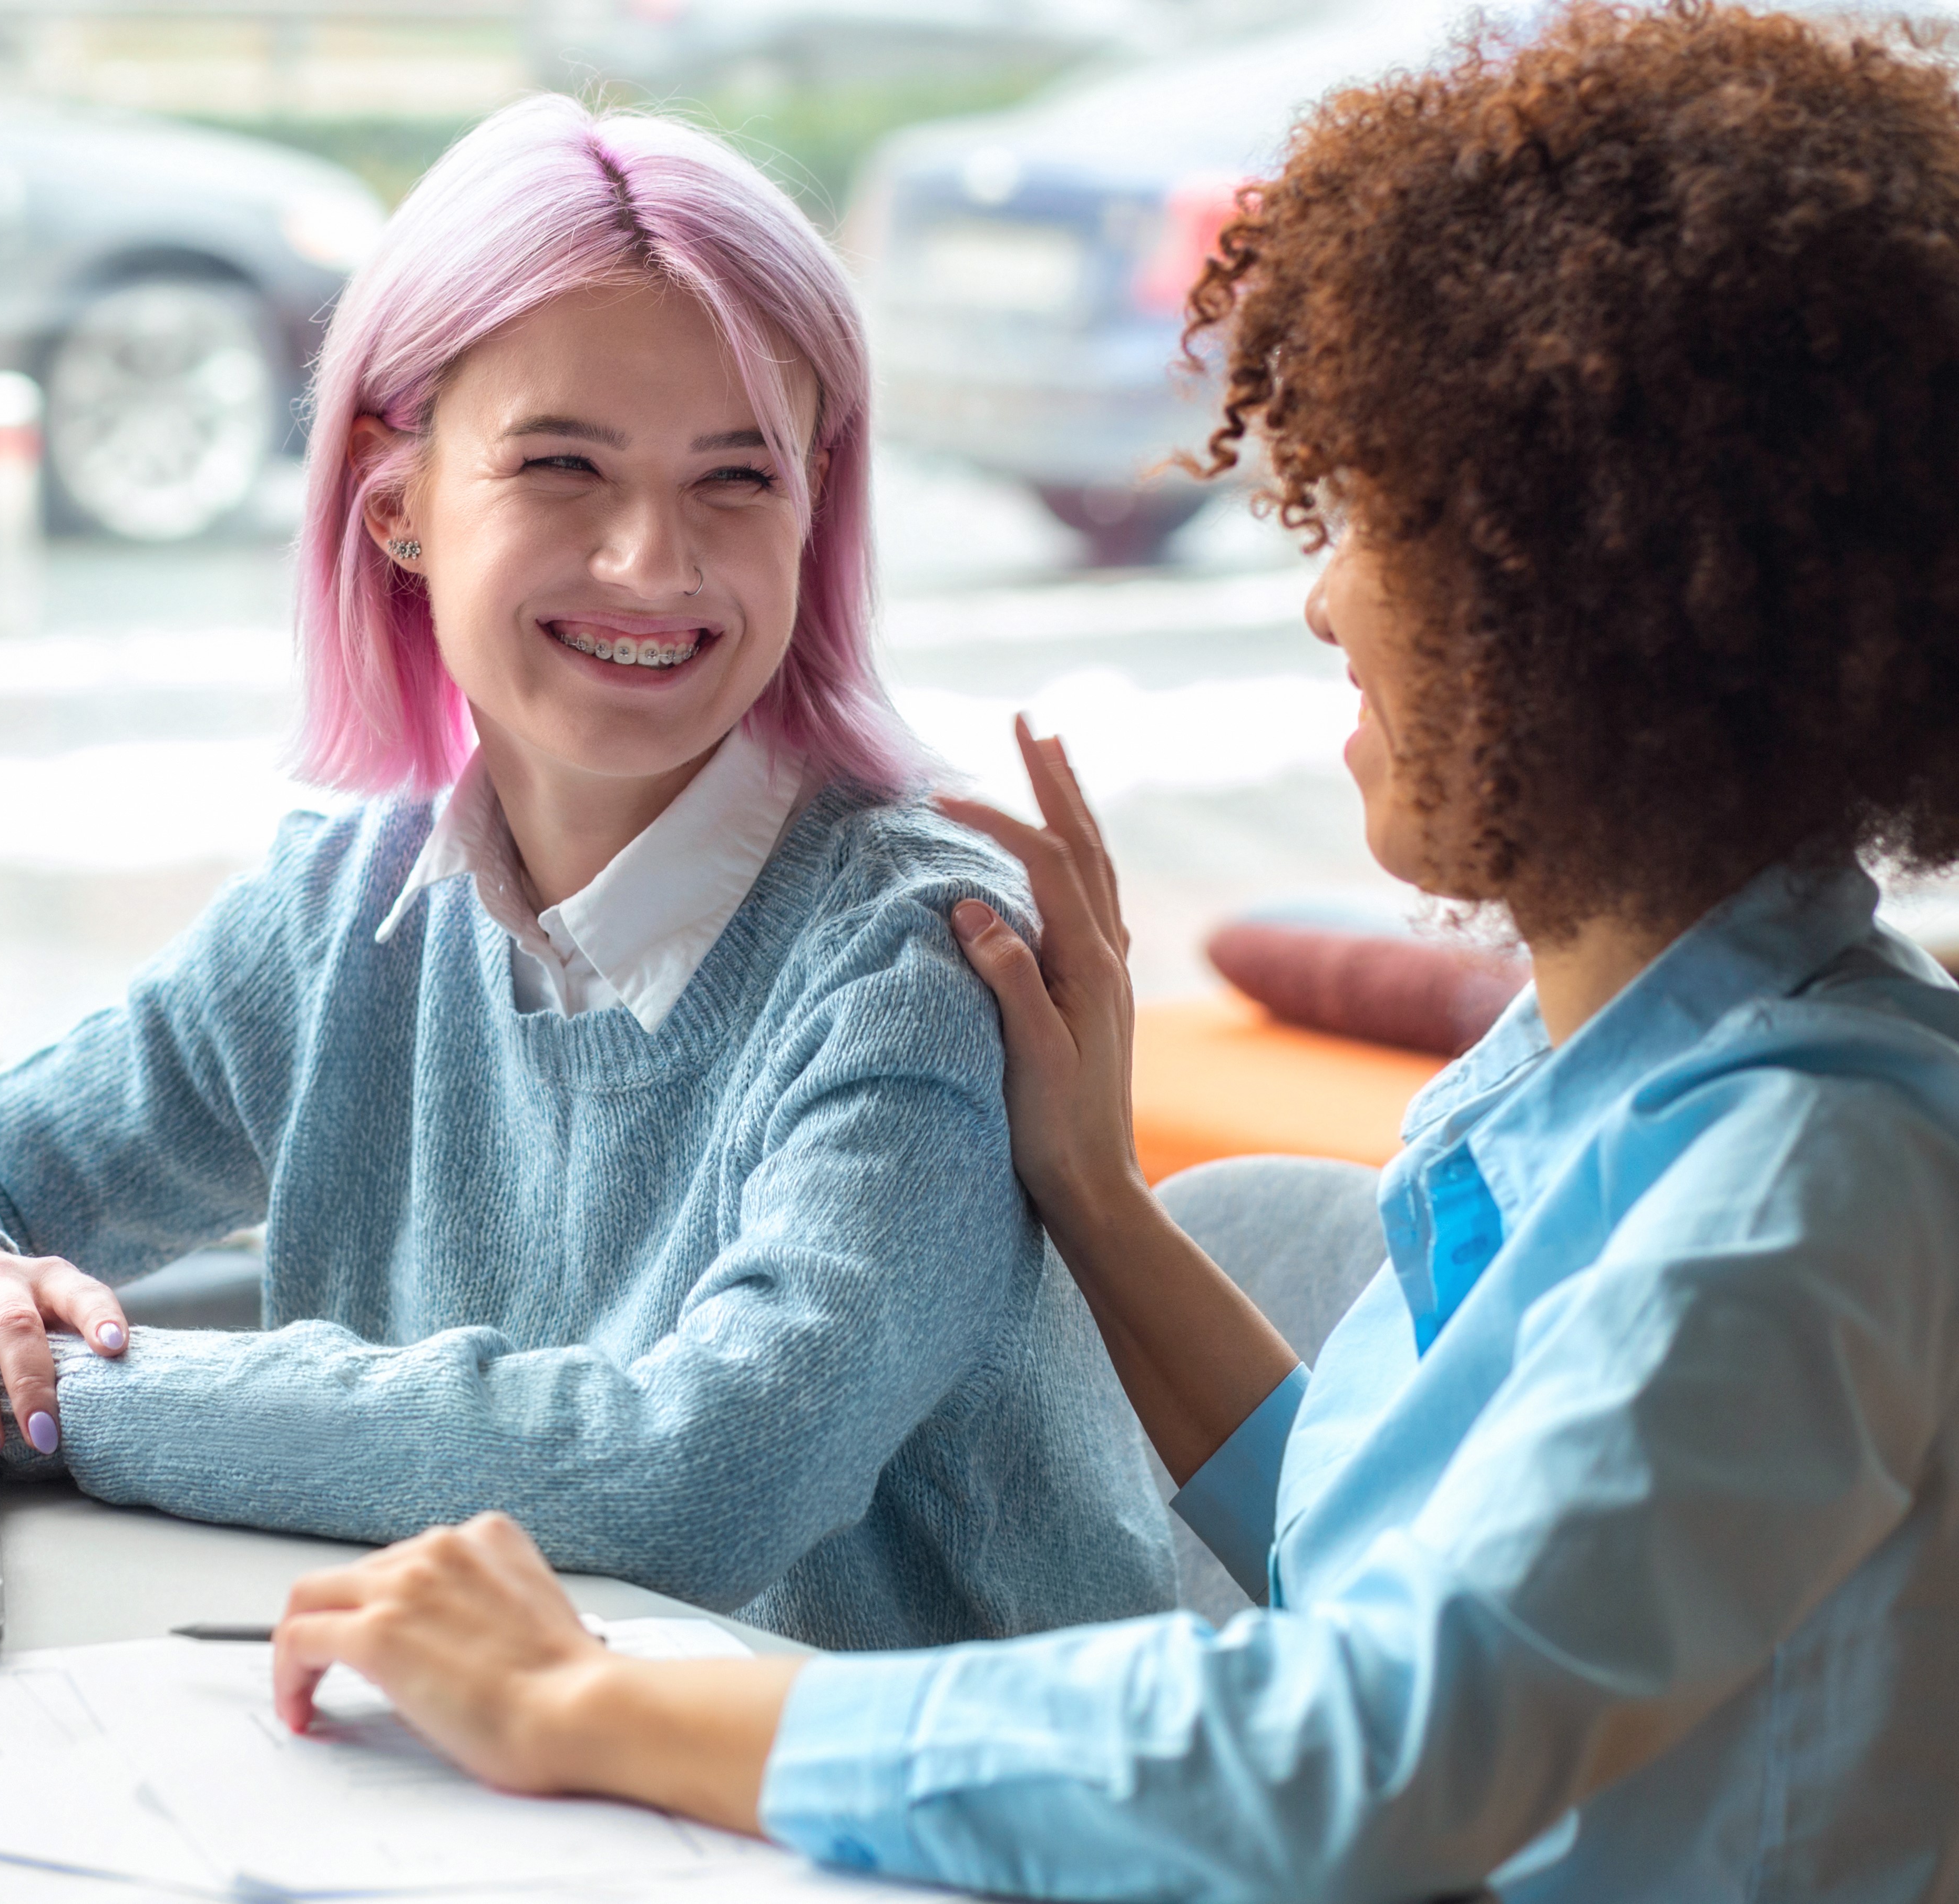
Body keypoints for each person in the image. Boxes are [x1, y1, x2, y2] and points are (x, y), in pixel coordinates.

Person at [260, 6, 1959, 1896]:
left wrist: (586, 1706)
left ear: (1609, 601)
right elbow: (1374, 1556)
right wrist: (1088, 1180)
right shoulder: (1618, 1094)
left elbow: (1369, 1746)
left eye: (1377, 521)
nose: (1322, 598)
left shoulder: (1801, 1193)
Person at [0, 94, 1176, 1652]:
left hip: (910, 1824)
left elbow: (700, 1483)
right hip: (502, 1769)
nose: (654, 563)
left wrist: (62, 1397)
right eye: (562, 465)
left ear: (815, 505)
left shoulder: (917, 953)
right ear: (396, 508)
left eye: (737, 477)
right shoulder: (336, 920)